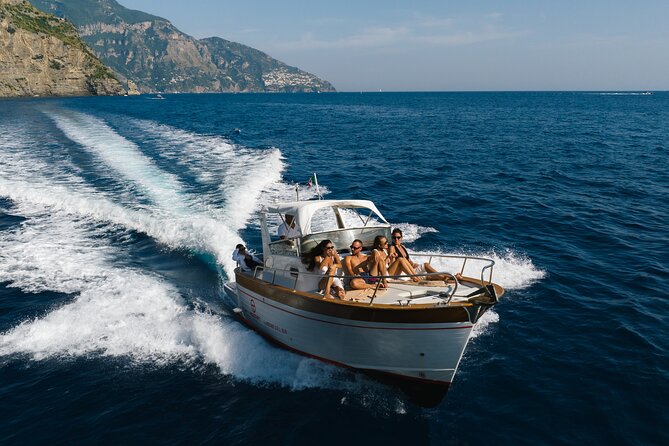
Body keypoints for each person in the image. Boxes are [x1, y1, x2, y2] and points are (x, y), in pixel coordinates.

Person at [388, 228, 463, 282]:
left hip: (410, 271)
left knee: (427, 270)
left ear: (401, 238)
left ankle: (449, 277)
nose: (396, 239)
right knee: (426, 269)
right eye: (394, 238)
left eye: (398, 237)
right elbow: (393, 264)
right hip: (402, 273)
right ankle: (447, 278)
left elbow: (410, 263)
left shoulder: (403, 247)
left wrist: (417, 266)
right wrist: (391, 257)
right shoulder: (392, 247)